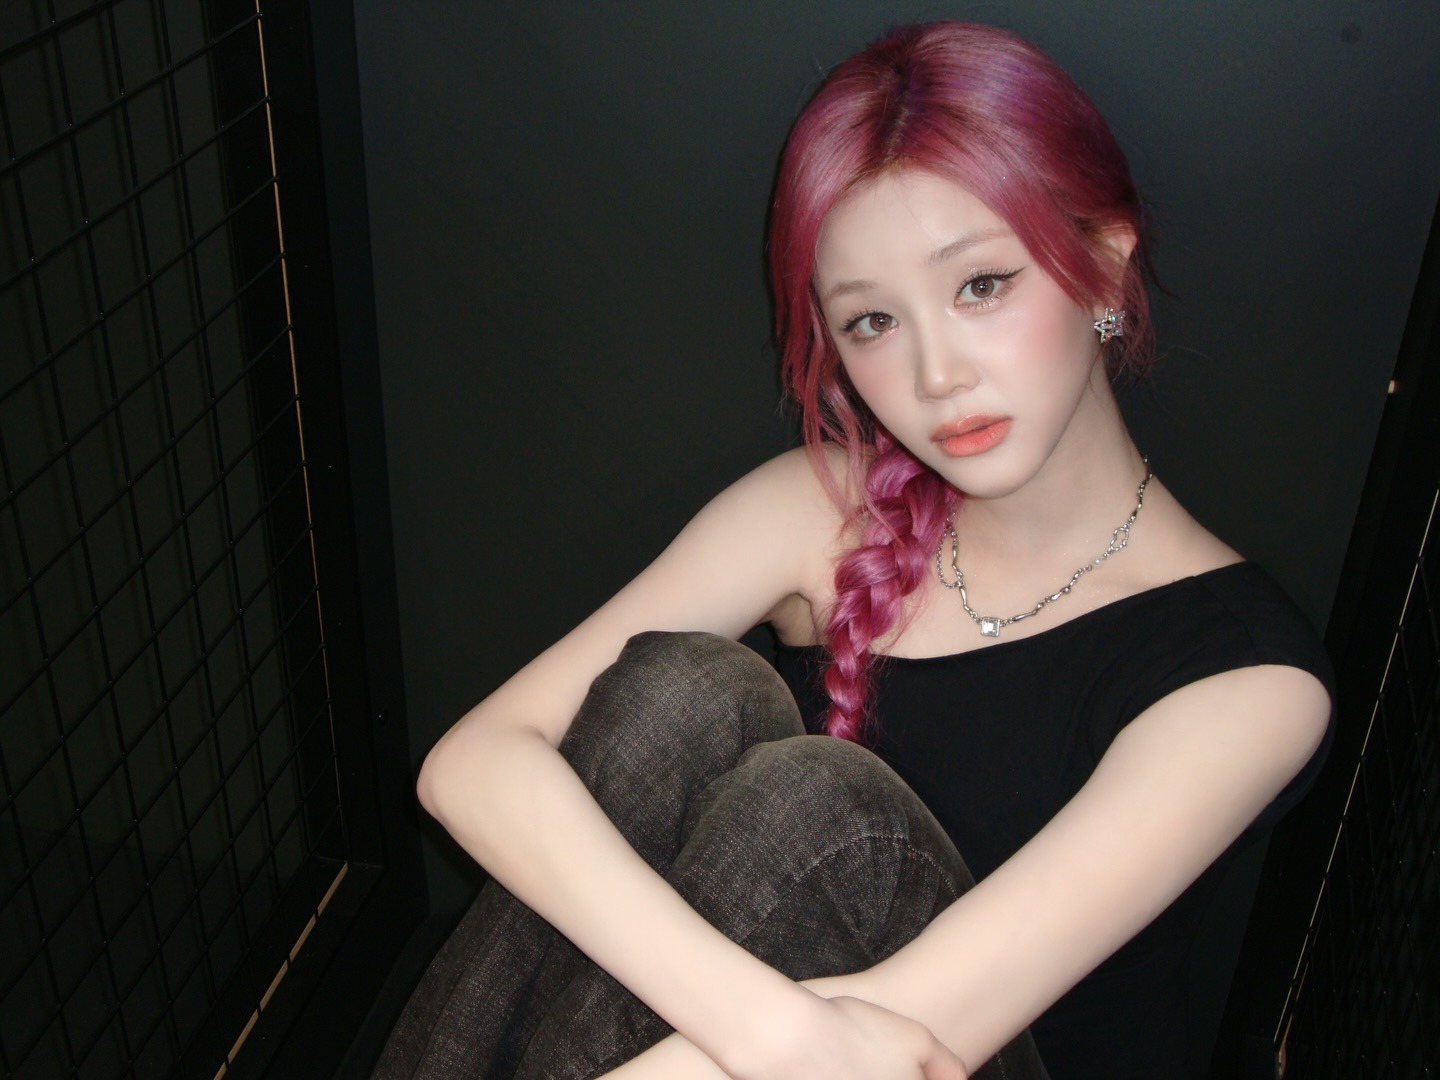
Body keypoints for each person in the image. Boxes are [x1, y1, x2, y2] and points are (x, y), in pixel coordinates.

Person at [375, 21, 1334, 1080]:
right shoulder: (824, 509)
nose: (937, 376)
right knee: (683, 690)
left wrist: (778, 1037)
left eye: (981, 286)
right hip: (770, 1054)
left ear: (1103, 268)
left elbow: (903, 1041)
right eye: (873, 322)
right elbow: (473, 763)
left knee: (821, 808)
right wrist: (769, 1026)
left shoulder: (1248, 681)